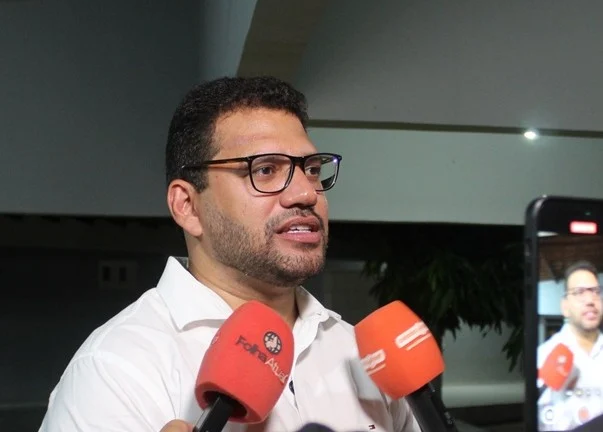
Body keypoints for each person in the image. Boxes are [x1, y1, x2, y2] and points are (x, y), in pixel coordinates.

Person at [39, 76, 420, 432]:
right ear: (187, 206)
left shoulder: (360, 353)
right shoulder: (117, 369)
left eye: (311, 169)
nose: (306, 193)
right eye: (265, 170)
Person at [537, 260, 603, 430]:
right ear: (565, 306)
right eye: (579, 292)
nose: (590, 300)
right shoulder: (543, 355)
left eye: (596, 291)